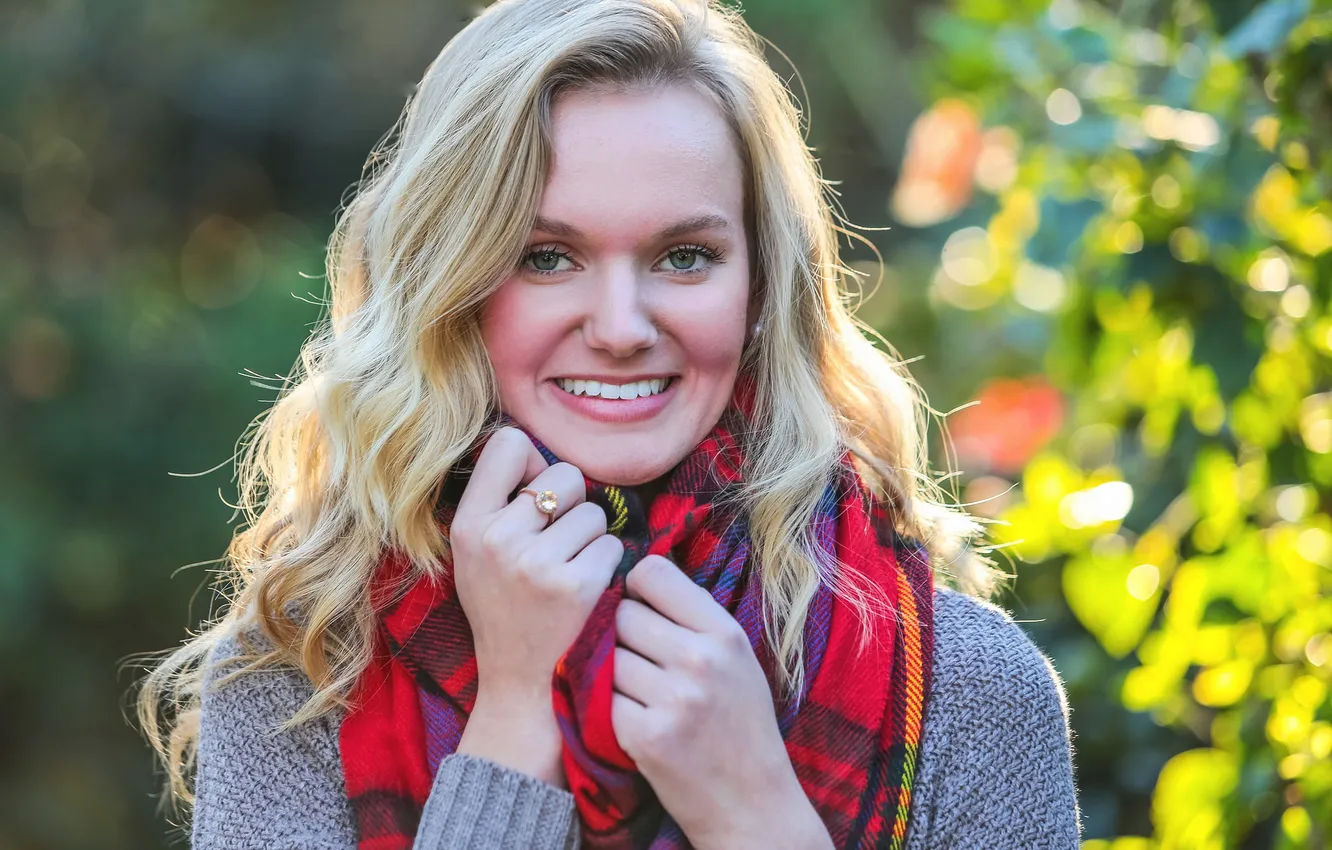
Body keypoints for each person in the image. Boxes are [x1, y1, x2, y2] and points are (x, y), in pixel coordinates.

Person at [137, 0, 1081, 847]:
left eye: (684, 256)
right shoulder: (298, 681)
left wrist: (753, 812)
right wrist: (512, 718)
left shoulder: (964, 689)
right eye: (547, 257)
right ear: (452, 289)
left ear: (760, 285)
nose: (623, 329)